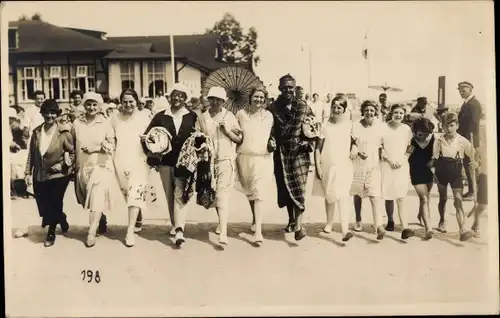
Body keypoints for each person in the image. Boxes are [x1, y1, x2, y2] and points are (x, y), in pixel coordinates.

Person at [141, 83, 198, 246]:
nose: (177, 98)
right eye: (174, 94)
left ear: (185, 98)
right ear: (169, 97)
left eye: (181, 95)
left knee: (181, 194)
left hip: (185, 163)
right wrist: (151, 153)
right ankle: (175, 224)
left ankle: (179, 229)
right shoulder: (160, 116)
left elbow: (198, 137)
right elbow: (148, 136)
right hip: (165, 162)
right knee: (169, 194)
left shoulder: (192, 116)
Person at [268, 74, 316, 241]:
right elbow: (270, 129)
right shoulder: (273, 107)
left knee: (299, 187)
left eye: (291, 87)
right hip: (281, 152)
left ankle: (299, 225)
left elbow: (313, 127)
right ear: (280, 88)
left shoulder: (303, 106)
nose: (288, 90)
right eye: (285, 87)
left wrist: (307, 141)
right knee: (286, 187)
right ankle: (291, 220)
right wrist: (271, 140)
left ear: (295, 88)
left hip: (299, 152)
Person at [24, 99, 75, 247]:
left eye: (53, 113)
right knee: (44, 203)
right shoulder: (36, 132)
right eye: (46, 113)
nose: (50, 116)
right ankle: (61, 217)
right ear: (42, 114)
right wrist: (27, 172)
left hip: (59, 175)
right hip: (40, 174)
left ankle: (51, 232)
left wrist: (62, 165)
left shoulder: (64, 132)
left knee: (54, 201)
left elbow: (72, 154)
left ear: (57, 114)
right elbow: (31, 154)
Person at [196, 86, 243, 245]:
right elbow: (197, 137)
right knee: (215, 195)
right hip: (208, 161)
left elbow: (239, 139)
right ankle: (220, 222)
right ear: (208, 99)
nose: (215, 102)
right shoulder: (202, 117)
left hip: (226, 159)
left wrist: (227, 130)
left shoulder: (229, 116)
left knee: (222, 195)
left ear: (224, 101)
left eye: (218, 99)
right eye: (212, 99)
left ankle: (223, 232)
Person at [72, 92, 115, 247]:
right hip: (82, 167)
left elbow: (112, 145)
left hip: (101, 165)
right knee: (87, 199)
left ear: (99, 106)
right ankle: (101, 218)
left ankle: (91, 232)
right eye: (88, 104)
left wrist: (96, 148)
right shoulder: (77, 123)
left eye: (95, 104)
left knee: (96, 194)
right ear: (84, 105)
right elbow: (71, 144)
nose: (91, 107)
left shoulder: (105, 123)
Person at [112, 89, 154, 247]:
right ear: (120, 102)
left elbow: (154, 135)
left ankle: (129, 231)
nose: (128, 104)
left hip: (140, 159)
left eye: (131, 101)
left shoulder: (145, 117)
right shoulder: (114, 119)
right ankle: (138, 216)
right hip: (120, 159)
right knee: (127, 193)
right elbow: (111, 138)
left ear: (136, 102)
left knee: (136, 191)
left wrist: (148, 138)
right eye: (125, 101)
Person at [235, 87, 274, 244]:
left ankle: (258, 231)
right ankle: (254, 220)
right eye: (256, 97)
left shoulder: (269, 116)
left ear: (265, 100)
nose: (258, 100)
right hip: (244, 158)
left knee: (258, 193)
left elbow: (273, 133)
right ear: (250, 98)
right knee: (250, 192)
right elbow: (236, 134)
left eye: (261, 97)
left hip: (262, 158)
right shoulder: (241, 115)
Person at [313, 96, 355, 242]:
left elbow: (354, 142)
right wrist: (318, 167)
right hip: (327, 164)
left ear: (344, 109)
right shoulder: (325, 125)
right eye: (334, 107)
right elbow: (317, 148)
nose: (336, 110)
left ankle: (345, 230)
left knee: (343, 195)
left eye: (340, 107)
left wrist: (355, 149)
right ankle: (329, 222)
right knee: (329, 195)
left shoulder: (350, 125)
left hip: (343, 164)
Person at [429, 113, 475, 241]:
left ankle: (463, 229)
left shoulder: (462, 141)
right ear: (442, 126)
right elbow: (434, 158)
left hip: (456, 173)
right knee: (443, 198)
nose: (448, 129)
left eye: (451, 125)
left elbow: (473, 155)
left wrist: (474, 162)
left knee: (458, 200)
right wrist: (433, 173)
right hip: (442, 171)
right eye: (445, 126)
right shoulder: (438, 141)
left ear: (457, 126)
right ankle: (442, 221)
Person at [350, 100, 385, 240]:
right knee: (358, 194)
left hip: (374, 164)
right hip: (358, 164)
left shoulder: (380, 127)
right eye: (367, 110)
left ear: (375, 112)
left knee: (374, 195)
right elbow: (352, 143)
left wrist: (382, 153)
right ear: (363, 112)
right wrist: (358, 152)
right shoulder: (356, 126)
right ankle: (358, 219)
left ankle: (378, 225)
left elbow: (382, 144)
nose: (369, 113)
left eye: (372, 110)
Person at [380, 104, 415, 240]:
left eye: (401, 113)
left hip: (401, 165)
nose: (398, 115)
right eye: (396, 113)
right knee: (389, 195)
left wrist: (404, 159)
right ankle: (390, 220)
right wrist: (389, 160)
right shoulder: (383, 127)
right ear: (391, 113)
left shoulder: (406, 129)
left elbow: (410, 146)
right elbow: (380, 146)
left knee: (401, 196)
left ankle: (405, 227)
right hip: (387, 164)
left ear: (404, 115)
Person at [408, 117, 436, 239]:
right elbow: (407, 156)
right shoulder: (411, 141)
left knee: (427, 197)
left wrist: (433, 161)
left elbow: (437, 154)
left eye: (426, 134)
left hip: (428, 172)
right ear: (414, 132)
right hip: (416, 171)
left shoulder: (433, 139)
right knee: (424, 198)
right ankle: (428, 228)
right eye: (420, 134)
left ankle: (421, 215)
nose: (423, 137)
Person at [456, 81, 482, 201]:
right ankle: (472, 190)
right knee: (467, 165)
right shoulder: (466, 103)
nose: (461, 92)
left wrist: (467, 141)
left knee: (471, 165)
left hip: (470, 139)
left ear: (470, 90)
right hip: (465, 139)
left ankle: (474, 192)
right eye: (460, 90)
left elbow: (473, 124)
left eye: (464, 90)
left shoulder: (474, 104)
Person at [468, 119, 487, 238]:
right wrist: (476, 164)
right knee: (482, 205)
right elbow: (478, 163)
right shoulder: (480, 149)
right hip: (486, 176)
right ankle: (476, 224)